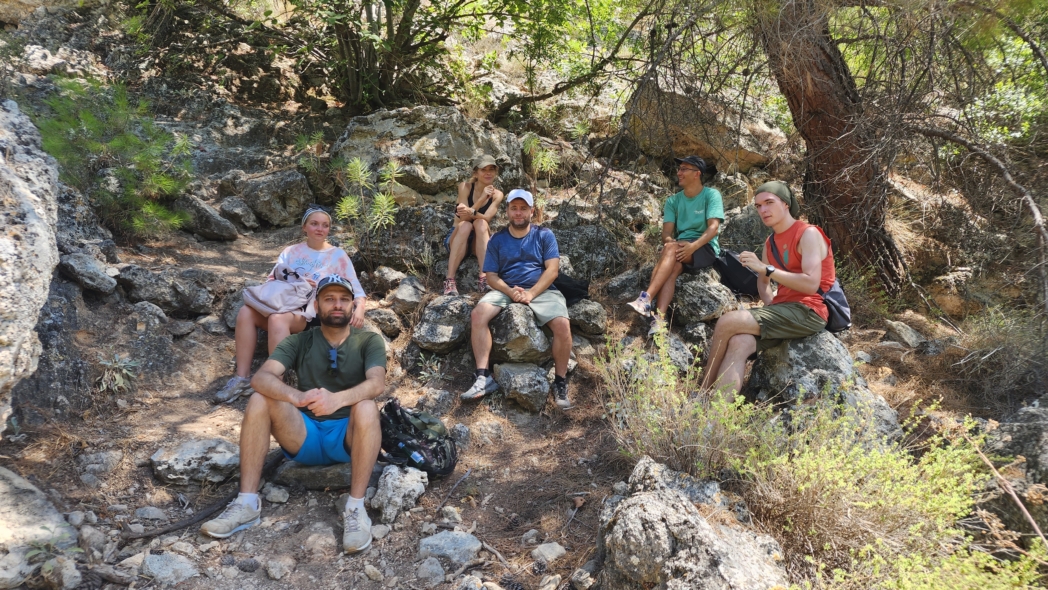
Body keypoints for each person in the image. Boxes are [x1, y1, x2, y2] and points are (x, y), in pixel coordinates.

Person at [200, 275, 386, 554]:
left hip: (347, 438)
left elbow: (377, 383)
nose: (337, 305)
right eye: (329, 299)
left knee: (367, 406)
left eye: (344, 299)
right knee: (260, 399)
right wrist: (297, 397)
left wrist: (337, 399)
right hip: (304, 434)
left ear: (352, 305)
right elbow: (261, 378)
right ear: (316, 305)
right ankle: (247, 503)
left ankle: (356, 509)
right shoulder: (300, 341)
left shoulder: (368, 340)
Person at [214, 206, 367, 403]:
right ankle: (241, 379)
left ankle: (275, 385)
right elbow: (273, 281)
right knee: (245, 312)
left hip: (310, 312)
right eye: (314, 224)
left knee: (278, 320)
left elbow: (356, 290)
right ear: (304, 227)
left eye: (325, 225)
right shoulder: (290, 252)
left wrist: (359, 309)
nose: (320, 229)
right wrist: (298, 281)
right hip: (284, 303)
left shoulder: (338, 255)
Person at [700, 181, 836, 396]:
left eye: (769, 203)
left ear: (785, 204)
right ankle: (718, 412)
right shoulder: (770, 243)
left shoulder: (808, 233)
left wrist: (766, 269)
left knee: (728, 321)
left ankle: (702, 390)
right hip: (784, 310)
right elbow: (762, 283)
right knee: (739, 342)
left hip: (809, 310)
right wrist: (771, 304)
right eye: (758, 206)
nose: (763, 210)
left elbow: (811, 284)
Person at [462, 189, 573, 410]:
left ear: (532, 211)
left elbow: (552, 270)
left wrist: (531, 294)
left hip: (541, 290)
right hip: (506, 289)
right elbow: (491, 276)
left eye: (523, 208)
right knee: (478, 314)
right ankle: (483, 377)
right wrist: (511, 292)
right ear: (507, 211)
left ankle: (560, 382)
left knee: (562, 324)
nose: (519, 213)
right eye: (514, 208)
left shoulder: (544, 235)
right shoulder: (497, 239)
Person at [627, 156, 724, 335]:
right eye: (679, 169)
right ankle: (659, 321)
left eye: (684, 169)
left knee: (671, 250)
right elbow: (666, 233)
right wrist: (670, 244)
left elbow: (713, 228)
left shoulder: (711, 195)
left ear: (697, 174)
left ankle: (646, 298)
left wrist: (692, 246)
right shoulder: (673, 201)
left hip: (704, 247)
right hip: (680, 247)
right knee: (674, 267)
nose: (679, 173)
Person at [443, 155, 505, 295]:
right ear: (476, 173)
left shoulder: (497, 195)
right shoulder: (465, 187)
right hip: (458, 237)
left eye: (491, 169)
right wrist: (481, 199)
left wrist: (472, 211)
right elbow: (464, 217)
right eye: (484, 170)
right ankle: (449, 280)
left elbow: (487, 218)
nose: (488, 173)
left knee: (481, 223)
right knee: (466, 225)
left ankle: (484, 278)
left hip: (478, 240)